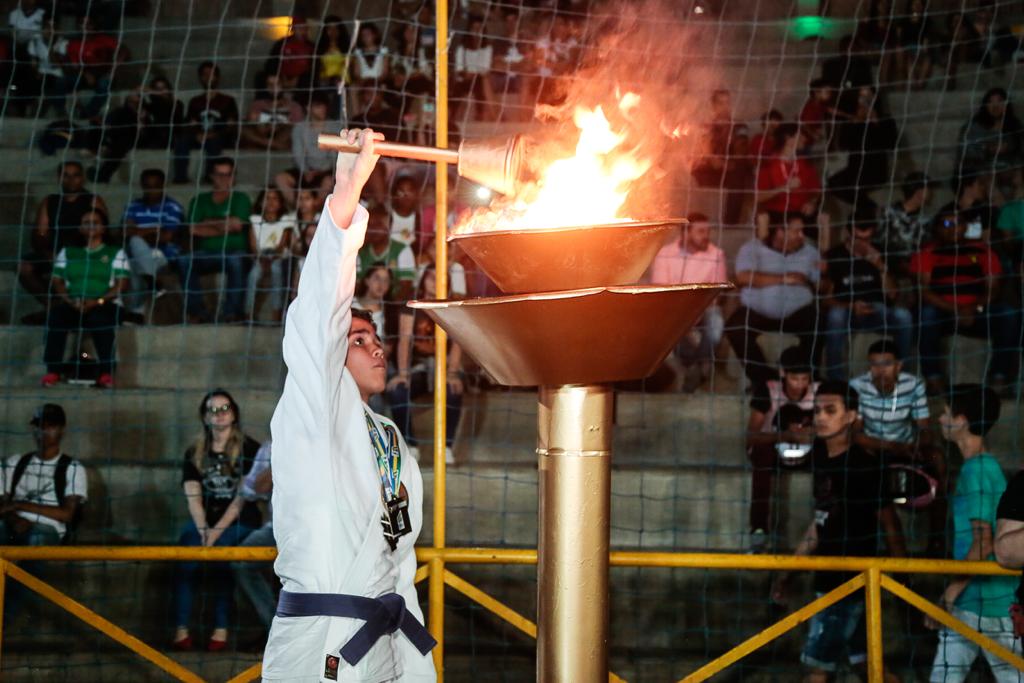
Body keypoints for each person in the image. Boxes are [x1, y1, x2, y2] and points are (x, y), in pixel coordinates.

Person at [262, 128, 436, 681]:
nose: (376, 345)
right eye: (356, 339)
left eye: (375, 336)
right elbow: (320, 311)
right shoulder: (313, 406)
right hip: (322, 643)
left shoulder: (388, 437)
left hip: (383, 638)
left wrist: (415, 665)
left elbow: (398, 559)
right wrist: (347, 190)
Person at [772, 381, 905, 683]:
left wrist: (903, 580)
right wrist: (789, 572)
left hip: (850, 583)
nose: (820, 417)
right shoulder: (821, 455)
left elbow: (890, 523)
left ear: (851, 416)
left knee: (818, 671)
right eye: (817, 410)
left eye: (830, 410)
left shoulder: (864, 466)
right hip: (831, 579)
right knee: (868, 668)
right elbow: (820, 523)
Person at [928, 385, 1021, 682]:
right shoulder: (983, 466)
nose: (941, 419)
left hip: (989, 601)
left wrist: (950, 592)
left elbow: (984, 541)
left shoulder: (977, 470)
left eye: (945, 413)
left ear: (962, 419)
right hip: (977, 600)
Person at [174, 389, 261, 652]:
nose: (220, 415)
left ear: (234, 414)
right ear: (205, 417)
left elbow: (241, 499)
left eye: (225, 409)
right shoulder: (194, 452)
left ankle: (220, 630)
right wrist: (203, 529)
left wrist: (214, 534)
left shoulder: (249, 448)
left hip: (240, 521)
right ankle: (181, 630)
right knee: (185, 552)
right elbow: (193, 497)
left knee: (224, 558)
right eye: (213, 410)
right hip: (205, 521)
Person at [850, 339, 947, 555]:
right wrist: (891, 446)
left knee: (938, 459)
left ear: (899, 366)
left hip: (907, 445)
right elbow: (856, 435)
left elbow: (924, 427)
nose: (879, 370)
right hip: (875, 447)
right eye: (874, 364)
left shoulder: (913, 384)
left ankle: (937, 539)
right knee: (858, 460)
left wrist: (917, 445)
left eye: (886, 364)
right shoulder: (857, 386)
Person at [910, 209, 1020, 396]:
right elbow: (924, 291)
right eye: (946, 224)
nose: (953, 228)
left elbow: (993, 290)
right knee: (926, 314)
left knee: (1008, 314)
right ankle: (933, 379)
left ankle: (998, 377)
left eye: (958, 222)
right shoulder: (928, 252)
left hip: (976, 312)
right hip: (943, 312)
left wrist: (973, 307)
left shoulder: (984, 250)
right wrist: (956, 310)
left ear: (966, 227)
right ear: (937, 228)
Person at [726, 212, 822, 387]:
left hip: (797, 314)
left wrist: (816, 276)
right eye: (797, 231)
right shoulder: (751, 249)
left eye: (802, 231)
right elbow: (743, 277)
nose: (802, 236)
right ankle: (764, 381)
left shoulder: (810, 252)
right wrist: (784, 279)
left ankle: (805, 378)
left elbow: (822, 285)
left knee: (819, 324)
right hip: (758, 313)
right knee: (734, 326)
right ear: (780, 232)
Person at [42, 209, 128, 389]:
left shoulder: (115, 252)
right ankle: (53, 371)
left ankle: (106, 373)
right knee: (56, 318)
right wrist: (69, 300)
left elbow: (121, 285)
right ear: (80, 228)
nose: (90, 226)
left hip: (105, 303)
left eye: (95, 222)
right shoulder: (68, 252)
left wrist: (97, 301)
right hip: (74, 303)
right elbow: (57, 281)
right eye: (86, 222)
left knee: (100, 319)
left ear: (103, 228)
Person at [821, 212, 913, 379]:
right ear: (849, 234)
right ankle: (835, 379)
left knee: (904, 316)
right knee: (835, 315)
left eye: (867, 239)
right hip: (847, 312)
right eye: (859, 239)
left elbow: (892, 295)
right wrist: (851, 306)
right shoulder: (834, 255)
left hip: (877, 311)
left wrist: (880, 266)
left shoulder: (881, 252)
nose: (863, 244)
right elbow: (826, 300)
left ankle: (901, 376)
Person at [745, 348, 818, 552]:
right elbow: (750, 438)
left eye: (805, 378)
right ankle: (758, 531)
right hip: (774, 452)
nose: (800, 384)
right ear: (783, 373)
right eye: (795, 378)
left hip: (808, 452)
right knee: (761, 454)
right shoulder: (767, 391)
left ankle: (824, 528)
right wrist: (785, 435)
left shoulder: (819, 391)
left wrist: (811, 432)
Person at [389, 264, 463, 465]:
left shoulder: (454, 306)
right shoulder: (412, 306)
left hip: (444, 367)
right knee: (398, 391)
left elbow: (458, 343)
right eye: (431, 277)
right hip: (418, 368)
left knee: (454, 390)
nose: (436, 280)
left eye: (442, 276)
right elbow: (403, 340)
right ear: (423, 281)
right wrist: (403, 373)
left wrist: (453, 372)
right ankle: (410, 444)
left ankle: (446, 446)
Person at [647, 213, 727, 391]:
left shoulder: (716, 254)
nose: (706, 235)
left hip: (704, 308)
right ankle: (697, 367)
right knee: (670, 323)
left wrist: (696, 313)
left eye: (708, 231)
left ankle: (695, 365)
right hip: (673, 309)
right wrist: (685, 316)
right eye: (700, 231)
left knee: (717, 322)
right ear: (685, 233)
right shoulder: (665, 253)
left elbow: (717, 294)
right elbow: (662, 293)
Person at [19, 161, 108, 317]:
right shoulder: (50, 201)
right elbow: (40, 234)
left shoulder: (93, 201)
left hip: (84, 254)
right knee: (25, 268)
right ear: (59, 178)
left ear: (83, 178)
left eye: (75, 175)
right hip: (54, 253)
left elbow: (104, 233)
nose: (70, 180)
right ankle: (53, 306)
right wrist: (48, 252)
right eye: (65, 175)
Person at [0, 404, 87, 546]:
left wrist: (19, 505)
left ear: (62, 430)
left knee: (37, 539)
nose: (44, 431)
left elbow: (67, 514)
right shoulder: (17, 462)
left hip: (48, 528)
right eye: (39, 426)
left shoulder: (73, 468)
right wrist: (15, 519)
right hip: (14, 522)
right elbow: (3, 505)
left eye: (50, 426)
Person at [179, 157, 252, 323]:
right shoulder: (199, 200)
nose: (224, 179)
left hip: (234, 251)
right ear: (211, 176)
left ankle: (232, 313)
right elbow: (193, 229)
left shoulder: (241, 198)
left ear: (234, 176)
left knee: (236, 261)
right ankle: (197, 313)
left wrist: (207, 223)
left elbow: (236, 225)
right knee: (184, 260)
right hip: (205, 252)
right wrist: (223, 225)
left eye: (228, 175)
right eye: (219, 175)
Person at [122, 169, 185, 313]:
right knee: (135, 255)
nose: (151, 190)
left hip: (162, 254)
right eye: (147, 185)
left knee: (136, 244)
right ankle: (152, 284)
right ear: (142, 186)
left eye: (155, 185)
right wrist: (154, 230)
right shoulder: (133, 205)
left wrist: (139, 232)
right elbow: (125, 232)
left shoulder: (172, 207)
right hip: (138, 255)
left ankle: (135, 312)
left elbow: (166, 237)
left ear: (163, 185)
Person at [231, 439, 277, 632]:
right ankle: (276, 629)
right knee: (242, 562)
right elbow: (252, 490)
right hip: (278, 528)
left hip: (321, 530)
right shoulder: (273, 446)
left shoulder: (330, 440)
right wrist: (281, 459)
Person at [828, 86, 899, 207]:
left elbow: (891, 144)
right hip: (855, 169)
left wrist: (876, 122)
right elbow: (843, 145)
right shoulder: (852, 121)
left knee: (854, 186)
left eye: (868, 97)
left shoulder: (885, 119)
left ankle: (868, 208)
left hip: (875, 170)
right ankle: (870, 207)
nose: (865, 101)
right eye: (862, 97)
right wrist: (854, 121)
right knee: (833, 183)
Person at [174, 61, 239, 184]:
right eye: (204, 74)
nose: (208, 77)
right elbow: (190, 123)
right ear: (200, 78)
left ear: (217, 77)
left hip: (220, 137)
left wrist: (214, 134)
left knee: (214, 142)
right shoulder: (195, 101)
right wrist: (197, 134)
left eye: (211, 74)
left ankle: (210, 177)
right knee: (182, 141)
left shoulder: (228, 100)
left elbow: (231, 125)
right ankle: (180, 177)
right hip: (199, 136)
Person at [275, 95, 335, 207]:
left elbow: (335, 155)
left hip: (326, 171)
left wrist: (320, 171)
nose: (323, 110)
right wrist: (305, 170)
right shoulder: (299, 127)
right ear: (308, 108)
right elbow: (297, 152)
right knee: (281, 178)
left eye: (324, 106)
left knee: (328, 181)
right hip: (305, 171)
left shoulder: (334, 126)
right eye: (318, 107)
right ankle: (298, 207)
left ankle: (312, 208)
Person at [246, 188, 296, 322]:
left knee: (276, 270)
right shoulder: (255, 219)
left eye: (275, 198)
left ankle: (276, 314)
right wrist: (261, 258)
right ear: (260, 202)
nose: (271, 202)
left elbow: (282, 245)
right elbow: (252, 245)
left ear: (280, 203)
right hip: (260, 255)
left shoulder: (286, 220)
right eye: (267, 198)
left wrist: (271, 258)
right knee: (253, 275)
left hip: (278, 256)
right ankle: (248, 313)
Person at [755, 123, 822, 222]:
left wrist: (811, 202)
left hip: (802, 213)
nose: (805, 139)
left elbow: (817, 190)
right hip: (779, 214)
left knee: (822, 220)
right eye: (801, 135)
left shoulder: (804, 163)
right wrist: (784, 188)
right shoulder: (768, 164)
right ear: (788, 138)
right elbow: (758, 197)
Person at [878, 171, 934, 277]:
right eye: (928, 189)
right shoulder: (886, 214)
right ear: (919, 192)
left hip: (914, 275)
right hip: (887, 274)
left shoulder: (927, 220)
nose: (931, 193)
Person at [358, 203, 416, 299]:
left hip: (392, 306)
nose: (372, 229)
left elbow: (406, 287)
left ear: (389, 226)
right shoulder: (360, 251)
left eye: (378, 225)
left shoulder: (403, 250)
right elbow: (356, 286)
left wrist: (388, 309)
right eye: (369, 225)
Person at [240, 72, 305, 151]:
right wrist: (266, 126)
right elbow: (252, 124)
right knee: (244, 129)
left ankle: (271, 144)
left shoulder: (294, 106)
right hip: (263, 136)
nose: (274, 87)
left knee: (291, 130)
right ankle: (272, 144)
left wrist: (279, 126)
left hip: (283, 137)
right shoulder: (257, 105)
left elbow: (298, 129)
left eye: (277, 83)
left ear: (283, 85)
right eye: (270, 84)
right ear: (266, 87)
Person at [691, 89, 736, 188]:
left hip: (730, 181)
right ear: (714, 106)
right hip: (706, 179)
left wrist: (722, 163)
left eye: (727, 103)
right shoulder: (706, 127)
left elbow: (739, 162)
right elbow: (710, 159)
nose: (725, 107)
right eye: (721, 103)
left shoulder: (737, 127)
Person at [389, 175, 435, 248]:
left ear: (416, 194)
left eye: (410, 191)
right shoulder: (387, 217)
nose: (405, 195)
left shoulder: (421, 219)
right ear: (394, 194)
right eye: (401, 191)